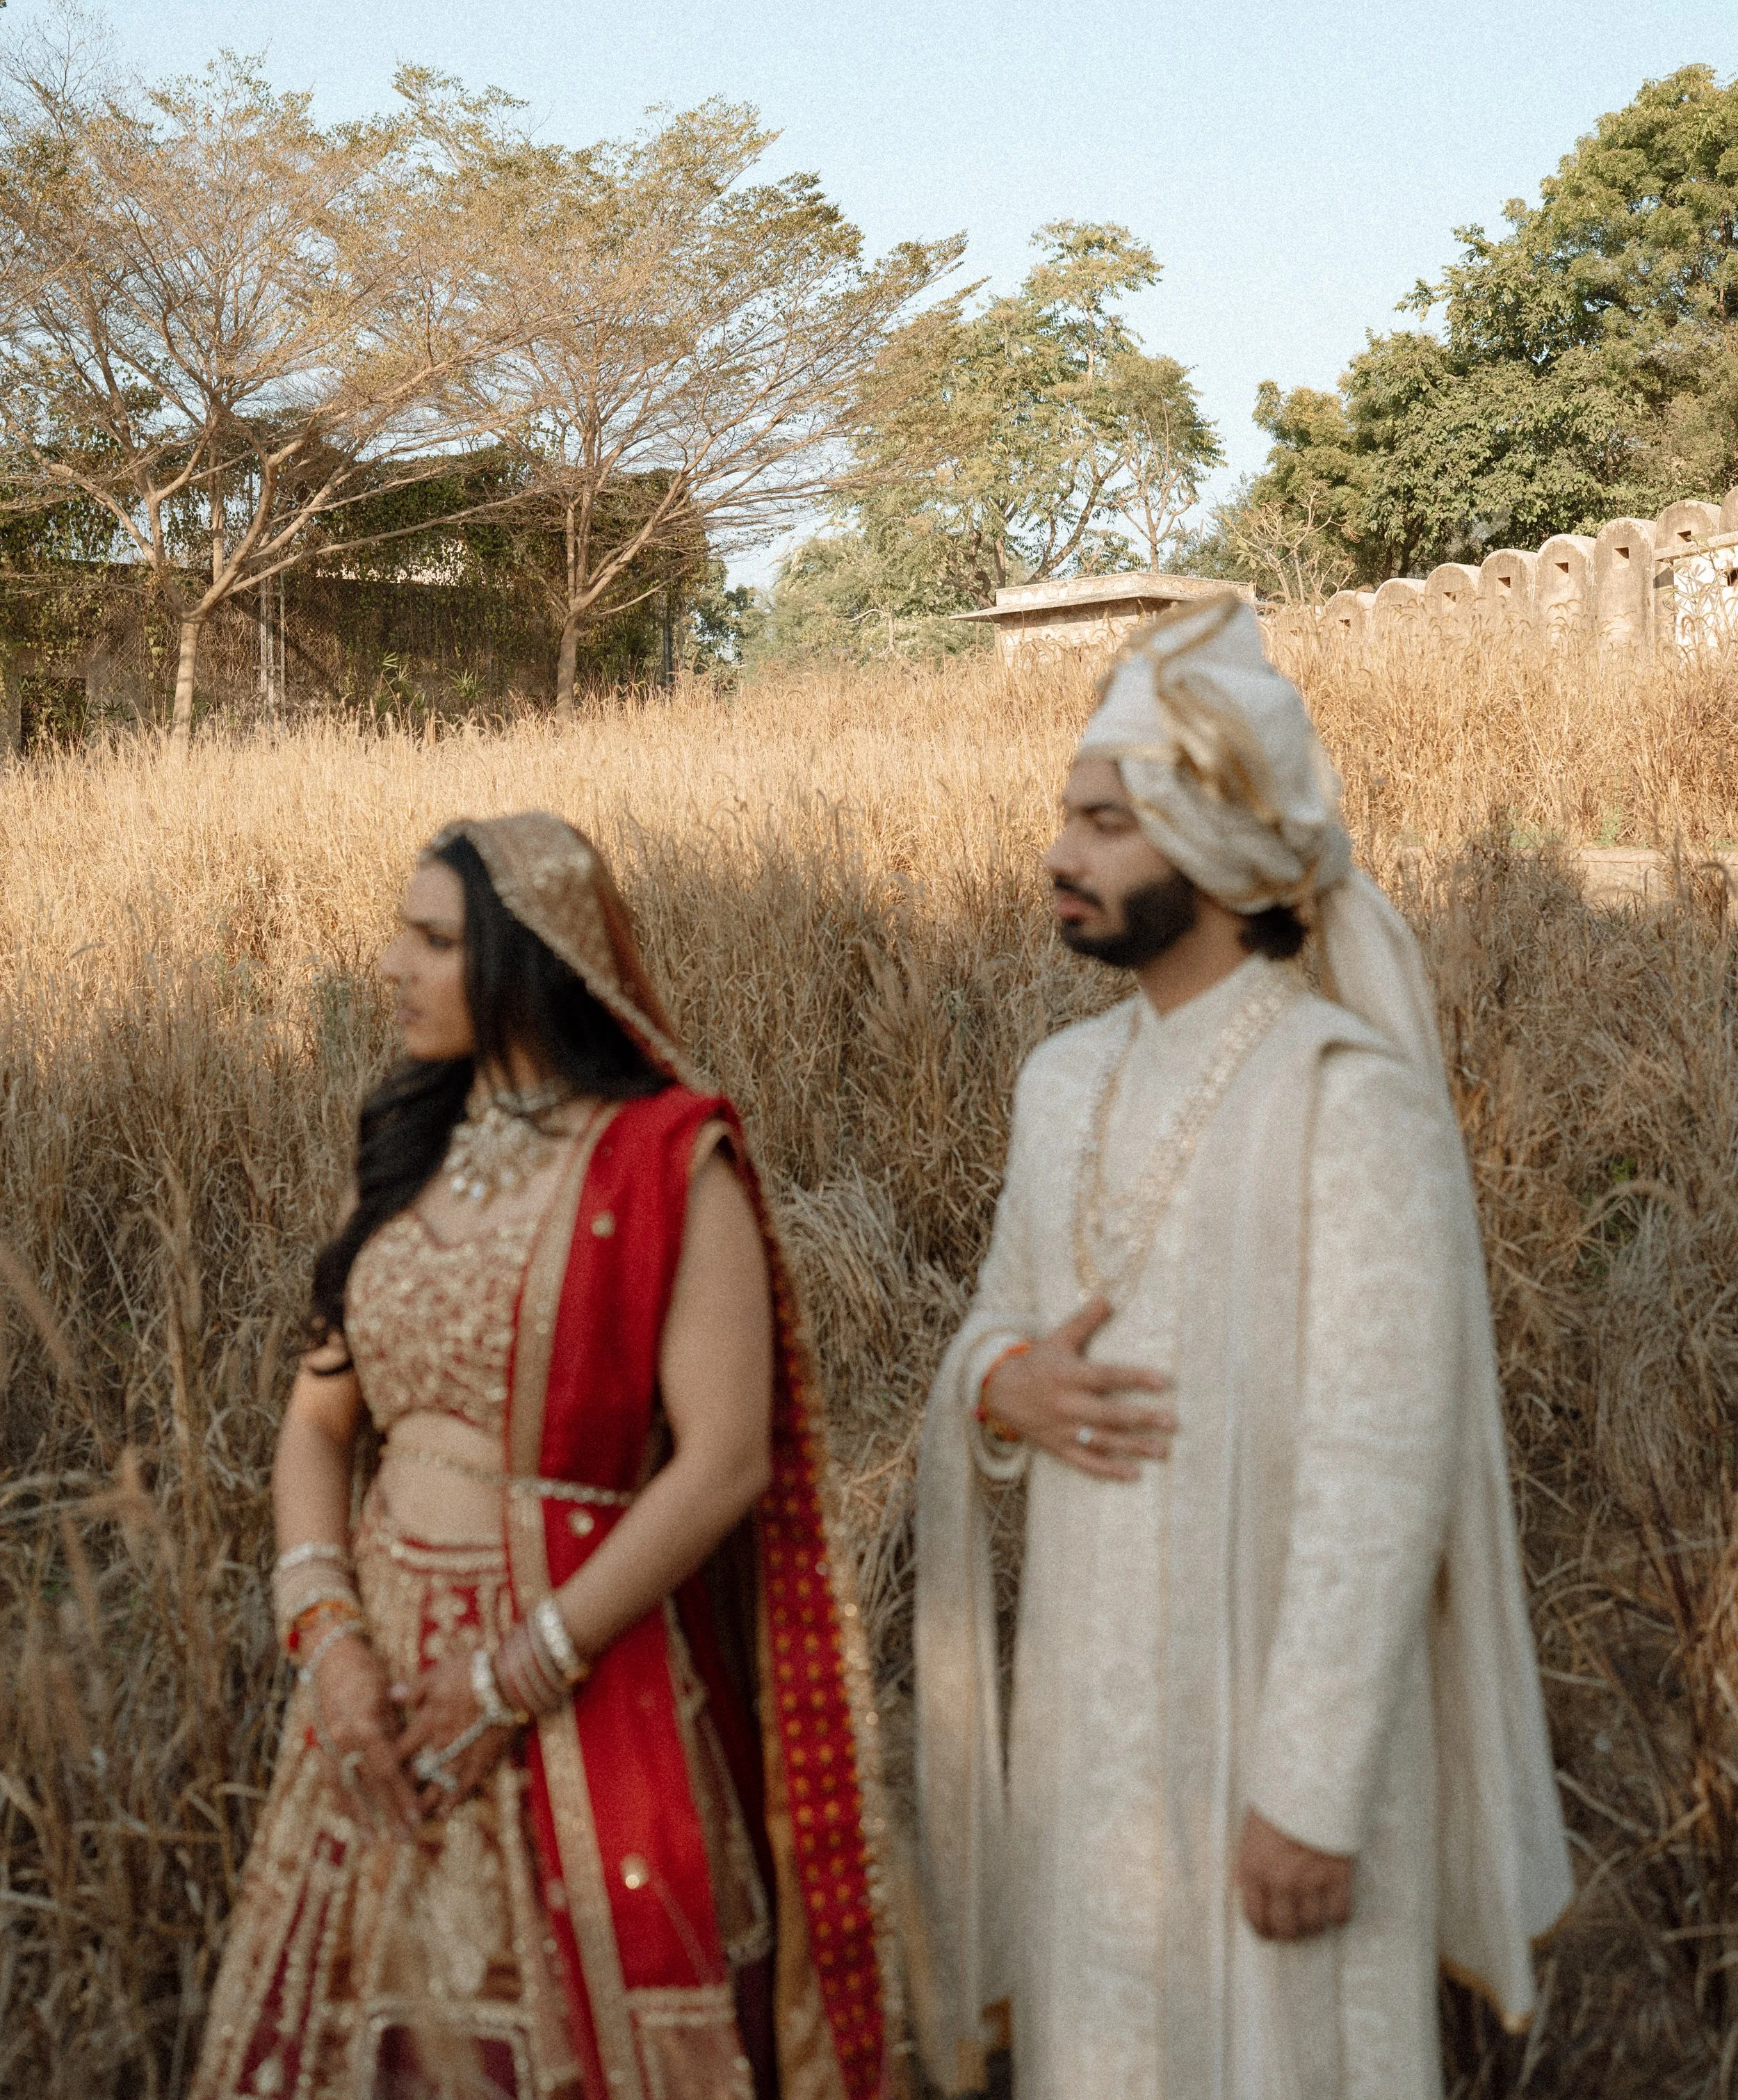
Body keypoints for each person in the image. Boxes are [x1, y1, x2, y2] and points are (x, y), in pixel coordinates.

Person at [913, 596, 1570, 2100]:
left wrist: (1309, 1797)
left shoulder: (1347, 1101)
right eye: (1063, 815)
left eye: (1103, 821)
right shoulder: (1058, 1084)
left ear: (1218, 850)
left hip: (1273, 1758)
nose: (1059, 855)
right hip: (1090, 1738)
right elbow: (991, 1336)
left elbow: (1377, 1472)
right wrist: (998, 1388)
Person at [193, 811, 898, 2100]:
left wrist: (516, 1674)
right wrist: (333, 1645)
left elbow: (727, 1458)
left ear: (528, 961)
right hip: (382, 1697)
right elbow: (317, 1422)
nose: (392, 967)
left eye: (432, 940)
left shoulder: (672, 1158)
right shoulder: (404, 1155)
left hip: (587, 1670)